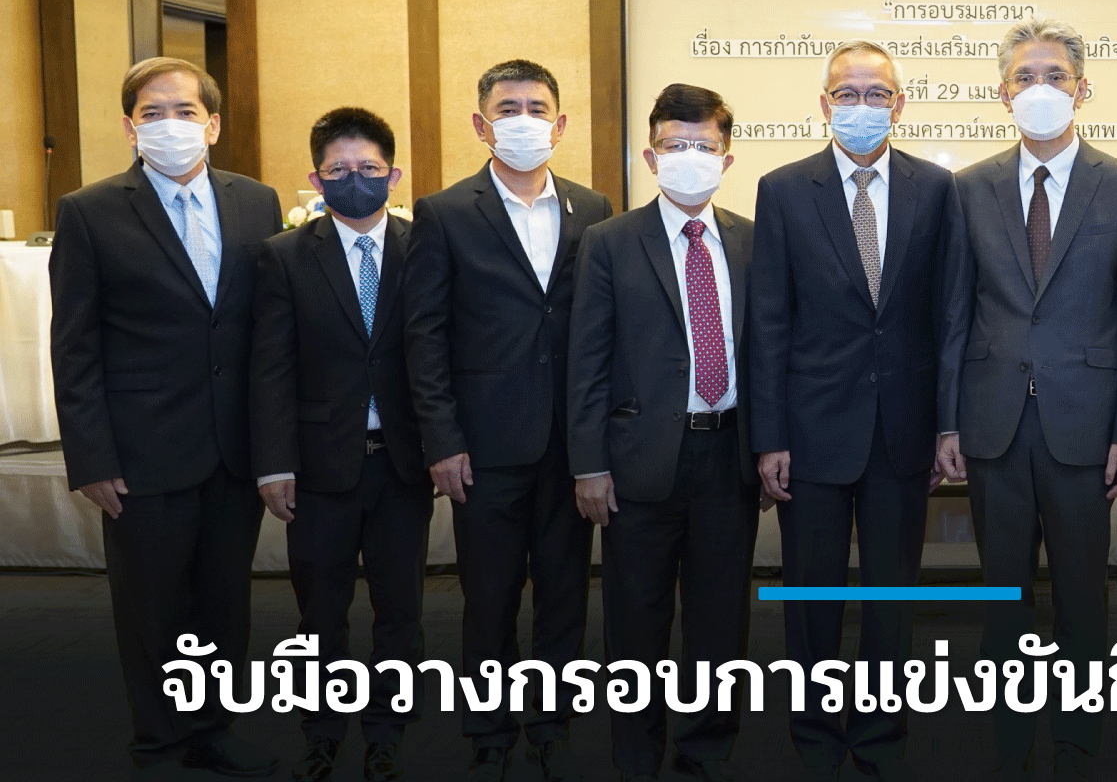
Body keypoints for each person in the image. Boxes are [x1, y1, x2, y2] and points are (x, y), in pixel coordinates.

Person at [936, 17, 1117, 782]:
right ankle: (1008, 742)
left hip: (1087, 429)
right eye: (1025, 77)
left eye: (1055, 76)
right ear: (1003, 94)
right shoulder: (968, 188)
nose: (1041, 89)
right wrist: (946, 422)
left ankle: (1076, 743)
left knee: (1081, 597)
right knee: (1003, 595)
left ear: (1082, 89)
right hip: (993, 424)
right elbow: (954, 314)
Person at [49, 57, 283, 781]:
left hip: (234, 448)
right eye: (153, 114)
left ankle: (212, 732)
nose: (170, 125)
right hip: (141, 450)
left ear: (213, 125)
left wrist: (276, 445)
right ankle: (156, 745)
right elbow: (74, 346)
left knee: (224, 603)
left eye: (185, 112)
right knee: (151, 609)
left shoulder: (257, 202)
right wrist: (91, 458)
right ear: (130, 129)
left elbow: (268, 334)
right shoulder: (89, 210)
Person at [750, 40, 959, 782]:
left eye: (877, 94)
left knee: (890, 601)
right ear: (824, 104)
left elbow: (948, 315)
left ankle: (878, 741)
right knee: (812, 600)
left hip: (903, 430)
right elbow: (768, 320)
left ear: (899, 104)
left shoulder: (938, 189)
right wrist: (769, 436)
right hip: (809, 433)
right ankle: (814, 741)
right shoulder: (782, 189)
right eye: (847, 93)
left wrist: (947, 424)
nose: (861, 105)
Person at [405, 59, 613, 782]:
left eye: (537, 108)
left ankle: (552, 728)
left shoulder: (594, 208)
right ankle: (488, 734)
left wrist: (597, 442)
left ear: (560, 123)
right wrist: (442, 439)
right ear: (481, 123)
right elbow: (424, 336)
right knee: (488, 598)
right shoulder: (444, 213)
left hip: (569, 444)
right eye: (508, 108)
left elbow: (601, 329)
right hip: (483, 446)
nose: (524, 120)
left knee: (564, 594)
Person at [567, 84, 759, 782]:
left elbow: (767, 352)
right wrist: (588, 464)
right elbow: (586, 359)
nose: (689, 157)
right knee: (635, 623)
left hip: (728, 455)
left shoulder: (753, 240)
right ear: (650, 156)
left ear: (726, 158)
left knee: (720, 621)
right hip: (637, 463)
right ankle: (637, 758)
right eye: (675, 145)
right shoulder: (610, 242)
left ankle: (705, 751)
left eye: (704, 146)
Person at [250, 107, 431, 782]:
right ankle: (321, 733)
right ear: (316, 178)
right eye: (339, 169)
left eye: (369, 168)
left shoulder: (425, 247)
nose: (355, 179)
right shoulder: (283, 255)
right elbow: (270, 368)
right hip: (318, 466)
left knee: (400, 611)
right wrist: (273, 463)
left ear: (394, 175)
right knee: (320, 613)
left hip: (403, 463)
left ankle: (387, 734)